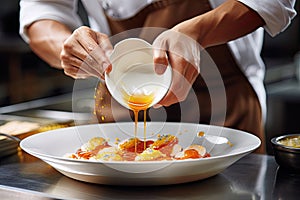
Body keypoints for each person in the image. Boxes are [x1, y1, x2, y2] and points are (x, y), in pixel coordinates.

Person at [19, 0, 297, 153]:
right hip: (119, 109)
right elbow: (41, 11)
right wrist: (67, 45)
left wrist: (197, 32)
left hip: (226, 106)